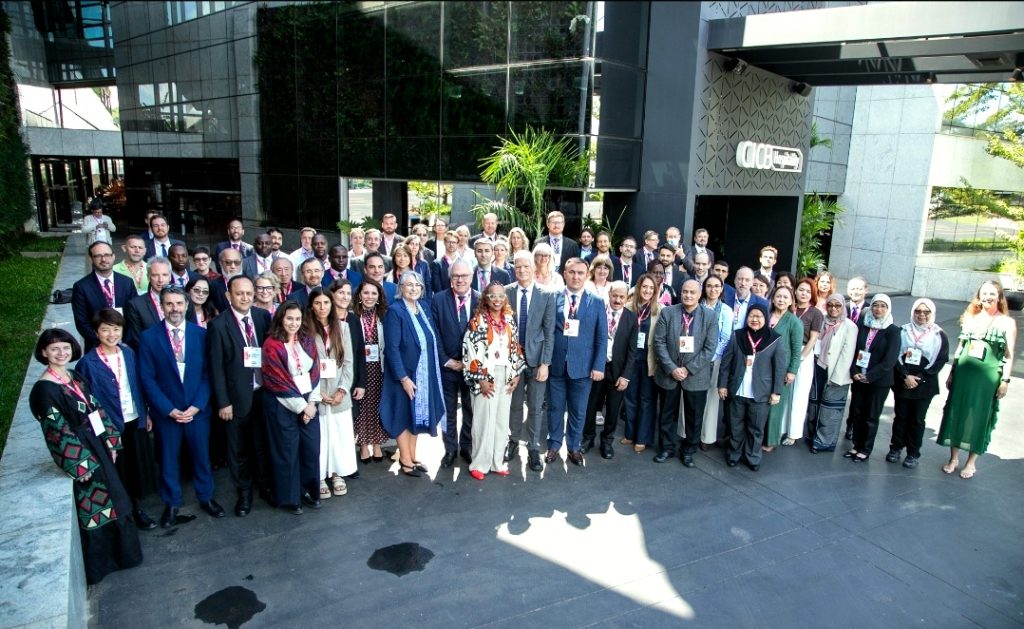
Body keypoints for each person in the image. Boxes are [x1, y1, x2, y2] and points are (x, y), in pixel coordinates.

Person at [29, 329, 143, 584]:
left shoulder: (74, 376)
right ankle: (102, 565)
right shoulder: (44, 390)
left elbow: (96, 408)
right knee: (96, 504)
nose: (61, 353)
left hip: (97, 443)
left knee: (117, 497)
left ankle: (124, 556)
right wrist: (79, 465)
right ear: (44, 352)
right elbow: (56, 432)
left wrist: (110, 439)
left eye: (65, 347)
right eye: (55, 349)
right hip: (82, 451)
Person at [138, 286, 225, 526]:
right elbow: (147, 378)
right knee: (168, 460)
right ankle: (172, 503)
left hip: (197, 411)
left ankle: (206, 497)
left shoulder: (201, 335)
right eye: (169, 303)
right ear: (161, 306)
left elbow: (209, 374)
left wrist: (197, 406)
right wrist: (168, 409)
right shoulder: (148, 337)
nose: (174, 308)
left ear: (186, 305)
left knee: (202, 457)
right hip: (168, 413)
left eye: (179, 303)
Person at [76, 309, 158, 531]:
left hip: (134, 418)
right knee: (118, 470)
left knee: (136, 467)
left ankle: (136, 506)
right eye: (105, 330)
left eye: (116, 329)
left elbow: (138, 385)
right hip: (110, 426)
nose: (111, 334)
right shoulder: (88, 363)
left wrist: (146, 413)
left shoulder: (129, 353)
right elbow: (88, 403)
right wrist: (101, 432)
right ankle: (127, 512)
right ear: (96, 332)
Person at [206, 275, 273, 516]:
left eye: (248, 293)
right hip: (235, 400)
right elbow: (216, 368)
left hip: (263, 393)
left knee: (262, 445)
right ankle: (244, 493)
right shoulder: (218, 325)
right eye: (239, 293)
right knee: (238, 450)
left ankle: (265, 487)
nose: (245, 297)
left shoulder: (262, 316)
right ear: (228, 296)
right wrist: (223, 402)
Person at [939, 281, 1017, 479]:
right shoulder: (970, 318)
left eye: (992, 293)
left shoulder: (1007, 323)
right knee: (957, 412)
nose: (987, 297)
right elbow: (961, 347)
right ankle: (954, 458)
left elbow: (1009, 355)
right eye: (984, 293)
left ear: (999, 297)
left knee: (980, 416)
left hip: (987, 378)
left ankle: (971, 462)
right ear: (979, 296)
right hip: (964, 374)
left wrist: (1005, 381)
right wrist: (952, 371)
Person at [381, 271, 446, 477]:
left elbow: (432, 338)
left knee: (413, 416)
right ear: (400, 288)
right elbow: (392, 348)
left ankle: (412, 455)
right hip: (404, 375)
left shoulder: (423, 307)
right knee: (403, 415)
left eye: (418, 285)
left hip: (423, 374)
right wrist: (403, 378)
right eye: (409, 284)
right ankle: (405, 459)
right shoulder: (395, 311)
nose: (414, 288)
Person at [261, 301, 322, 513]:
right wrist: (303, 408)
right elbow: (278, 380)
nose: (293, 323)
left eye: (297, 319)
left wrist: (312, 403)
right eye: (289, 318)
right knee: (287, 452)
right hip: (282, 404)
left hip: (308, 401)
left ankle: (308, 490)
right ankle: (291, 498)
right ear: (281, 319)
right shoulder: (271, 345)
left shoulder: (307, 340)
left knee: (311, 449)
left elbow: (315, 372)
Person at [546, 258, 608, 466]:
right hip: (556, 365)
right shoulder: (553, 297)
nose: (576, 276)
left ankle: (574, 447)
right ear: (564, 274)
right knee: (555, 409)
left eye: (580, 273)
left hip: (583, 367)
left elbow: (601, 337)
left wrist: (598, 365)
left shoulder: (596, 301)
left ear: (587, 275)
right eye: (572, 272)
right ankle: (554, 444)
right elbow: (547, 331)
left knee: (578, 410)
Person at [462, 282, 525, 479]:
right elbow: (470, 351)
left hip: (505, 374)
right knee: (483, 422)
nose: (497, 300)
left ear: (505, 298)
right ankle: (479, 465)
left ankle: (497, 462)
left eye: (500, 296)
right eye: (492, 296)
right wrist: (480, 378)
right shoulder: (478, 321)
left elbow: (515, 347)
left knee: (501, 421)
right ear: (486, 299)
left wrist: (516, 374)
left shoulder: (509, 320)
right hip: (485, 376)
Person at [652, 279, 718, 467]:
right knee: (666, 414)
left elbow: (710, 348)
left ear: (699, 295)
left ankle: (689, 451)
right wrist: (672, 368)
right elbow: (659, 342)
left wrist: (688, 369)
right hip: (669, 373)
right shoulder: (668, 312)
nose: (688, 295)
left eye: (692, 292)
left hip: (696, 375)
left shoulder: (710, 316)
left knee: (694, 417)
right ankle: (666, 448)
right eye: (685, 291)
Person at [718, 304, 787, 471]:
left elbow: (779, 368)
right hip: (737, 389)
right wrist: (722, 385)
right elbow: (726, 363)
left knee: (756, 429)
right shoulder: (737, 336)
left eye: (759, 316)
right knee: (735, 426)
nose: (755, 319)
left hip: (761, 392)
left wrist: (776, 392)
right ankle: (734, 454)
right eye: (751, 316)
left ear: (766, 318)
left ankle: (753, 457)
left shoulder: (775, 339)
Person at [505, 251, 556, 471]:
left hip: (537, 361)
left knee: (535, 407)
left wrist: (545, 363)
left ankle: (534, 448)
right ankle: (513, 440)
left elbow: (549, 332)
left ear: (534, 269)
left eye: (526, 266)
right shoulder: (505, 292)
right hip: (513, 362)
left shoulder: (547, 294)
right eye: (518, 267)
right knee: (514, 405)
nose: (522, 270)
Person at [886, 298, 949, 469]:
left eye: (926, 312)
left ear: (932, 313)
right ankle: (895, 448)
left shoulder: (939, 334)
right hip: (903, 381)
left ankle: (913, 453)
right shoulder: (903, 330)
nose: (921, 315)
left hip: (924, 385)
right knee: (900, 417)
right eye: (918, 311)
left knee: (917, 420)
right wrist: (905, 376)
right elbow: (894, 355)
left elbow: (941, 359)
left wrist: (920, 377)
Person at [306, 287, 356, 498]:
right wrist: (317, 393)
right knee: (320, 437)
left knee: (338, 437)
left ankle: (336, 474)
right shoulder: (305, 330)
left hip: (338, 393)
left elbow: (348, 362)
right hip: (317, 394)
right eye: (318, 303)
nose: (322, 307)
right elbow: (304, 366)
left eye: (326, 302)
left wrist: (342, 390)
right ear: (311, 306)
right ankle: (318, 476)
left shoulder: (343, 328)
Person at [431, 259, 478, 468]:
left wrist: (470, 362)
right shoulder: (438, 299)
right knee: (447, 410)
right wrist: (447, 361)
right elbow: (434, 334)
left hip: (472, 368)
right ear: (450, 278)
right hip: (447, 367)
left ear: (471, 277)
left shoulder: (481, 299)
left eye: (464, 276)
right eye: (456, 276)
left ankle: (466, 446)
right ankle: (450, 449)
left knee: (470, 409)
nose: (460, 280)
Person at [583, 282, 638, 458]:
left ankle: (607, 442)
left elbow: (632, 351)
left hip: (618, 371)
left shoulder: (631, 318)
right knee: (591, 406)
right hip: (597, 368)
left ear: (627, 298)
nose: (618, 300)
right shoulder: (598, 312)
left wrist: (626, 376)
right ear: (609, 295)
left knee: (613, 410)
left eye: (622, 297)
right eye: (615, 296)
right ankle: (588, 438)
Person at [845, 294, 901, 462]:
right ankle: (856, 445)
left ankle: (865, 449)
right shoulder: (863, 326)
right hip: (859, 377)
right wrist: (855, 371)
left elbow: (889, 360)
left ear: (888, 309)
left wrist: (869, 376)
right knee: (857, 412)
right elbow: (854, 350)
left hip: (878, 381)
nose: (878, 309)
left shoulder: (892, 331)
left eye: (883, 306)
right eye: (876, 305)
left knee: (871, 416)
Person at [806, 294, 858, 452]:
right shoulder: (821, 320)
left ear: (843, 307)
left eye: (837, 305)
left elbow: (847, 354)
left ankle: (824, 441)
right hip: (817, 366)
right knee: (814, 403)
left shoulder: (849, 326)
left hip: (836, 372)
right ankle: (811, 435)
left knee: (830, 409)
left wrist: (837, 376)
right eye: (830, 305)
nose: (833, 308)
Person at [622, 274, 663, 453]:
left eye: (651, 288)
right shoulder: (628, 308)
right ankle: (630, 433)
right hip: (631, 360)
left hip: (649, 361)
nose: (647, 291)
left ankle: (642, 437)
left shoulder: (660, 310)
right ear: (638, 288)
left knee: (646, 400)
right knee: (630, 398)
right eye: (644, 286)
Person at [73, 241, 138, 353]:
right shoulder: (81, 287)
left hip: (126, 346)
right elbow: (82, 323)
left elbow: (134, 315)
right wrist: (106, 341)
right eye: (98, 256)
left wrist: (125, 341)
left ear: (113, 256)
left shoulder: (127, 282)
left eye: (107, 255)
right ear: (91, 259)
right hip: (96, 348)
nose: (103, 259)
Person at [781, 278, 824, 446]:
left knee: (799, 395)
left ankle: (793, 433)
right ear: (795, 291)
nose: (804, 293)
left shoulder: (815, 313)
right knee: (784, 392)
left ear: (812, 294)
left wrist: (800, 358)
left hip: (803, 353)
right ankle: (781, 429)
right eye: (801, 290)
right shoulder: (789, 309)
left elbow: (813, 339)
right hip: (786, 351)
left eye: (807, 291)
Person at [353, 278, 389, 463]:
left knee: (376, 404)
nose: (369, 296)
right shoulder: (352, 316)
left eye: (374, 293)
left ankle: (376, 443)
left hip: (378, 367)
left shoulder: (384, 315)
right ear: (359, 295)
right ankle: (363, 444)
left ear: (379, 296)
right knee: (362, 406)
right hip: (361, 367)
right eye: (366, 292)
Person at [763, 286, 803, 451]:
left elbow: (796, 350)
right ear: (773, 298)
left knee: (775, 406)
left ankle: (771, 441)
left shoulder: (794, 322)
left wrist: (792, 371)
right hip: (762, 367)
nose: (781, 300)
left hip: (781, 369)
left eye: (786, 297)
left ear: (791, 301)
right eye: (778, 296)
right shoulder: (766, 315)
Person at [699, 275, 735, 449]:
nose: (712, 289)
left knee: (711, 401)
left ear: (721, 289)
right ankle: (688, 433)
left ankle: (706, 437)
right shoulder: (697, 306)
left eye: (716, 286)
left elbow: (725, 338)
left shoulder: (726, 310)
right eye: (709, 286)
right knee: (691, 398)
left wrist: (710, 356)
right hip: (695, 358)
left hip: (716, 359)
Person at [123, 257, 174, 349]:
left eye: (164, 275)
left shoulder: (183, 300)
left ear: (170, 276)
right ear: (148, 277)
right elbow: (137, 340)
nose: (160, 280)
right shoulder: (136, 305)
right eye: (155, 275)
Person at [725, 267, 768, 331]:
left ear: (752, 283)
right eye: (740, 279)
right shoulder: (724, 299)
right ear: (735, 280)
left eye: (747, 280)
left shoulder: (762, 303)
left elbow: (764, 329)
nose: (743, 283)